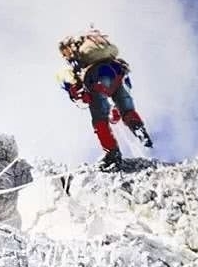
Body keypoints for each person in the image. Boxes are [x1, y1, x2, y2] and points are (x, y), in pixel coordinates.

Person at [58, 30, 153, 170]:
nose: (64, 56)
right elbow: (126, 85)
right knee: (127, 110)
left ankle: (112, 155)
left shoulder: (76, 57)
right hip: (117, 73)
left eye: (63, 53)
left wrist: (76, 92)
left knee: (99, 120)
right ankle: (139, 130)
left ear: (67, 48)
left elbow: (70, 79)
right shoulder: (100, 50)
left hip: (96, 78)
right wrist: (117, 108)